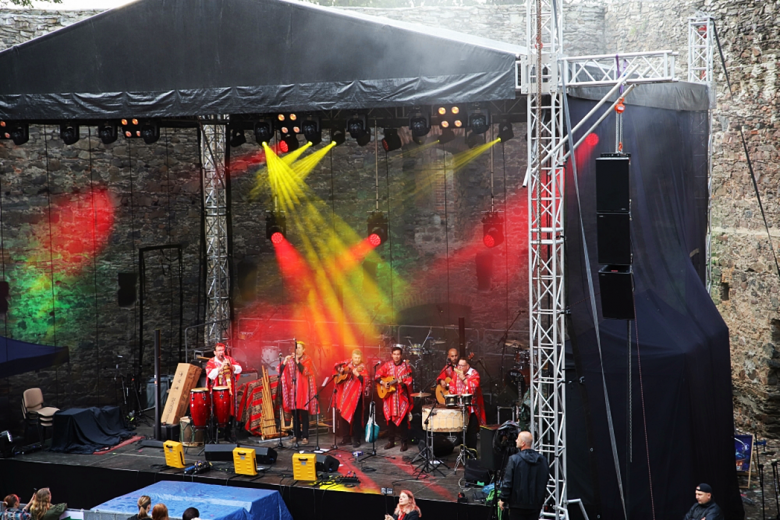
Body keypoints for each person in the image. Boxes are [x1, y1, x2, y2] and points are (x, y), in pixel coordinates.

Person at [498, 431, 549, 520]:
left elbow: (508, 481)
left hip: (517, 505)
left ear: (523, 443)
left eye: (518, 438)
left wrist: (503, 498)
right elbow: (544, 480)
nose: (516, 440)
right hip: (535, 504)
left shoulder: (514, 459)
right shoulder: (542, 460)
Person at [278, 340, 318, 446]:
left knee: (304, 415)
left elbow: (305, 371)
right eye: (296, 347)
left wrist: (296, 361)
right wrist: (285, 361)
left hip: (304, 390)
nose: (297, 349)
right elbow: (281, 370)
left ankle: (305, 436)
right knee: (295, 415)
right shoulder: (290, 359)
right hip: (293, 390)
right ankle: (296, 435)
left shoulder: (307, 359)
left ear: (303, 350)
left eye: (299, 347)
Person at [375, 346, 413, 451]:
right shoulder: (387, 365)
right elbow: (377, 376)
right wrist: (383, 383)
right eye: (394, 354)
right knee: (390, 419)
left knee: (403, 420)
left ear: (401, 355)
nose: (396, 356)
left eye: (398, 354)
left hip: (401, 397)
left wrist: (402, 383)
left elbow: (409, 381)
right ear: (392, 355)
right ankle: (391, 441)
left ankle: (404, 442)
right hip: (390, 398)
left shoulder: (406, 367)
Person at [448, 356, 486, 449]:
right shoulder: (456, 373)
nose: (459, 368)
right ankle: (463, 453)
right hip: (460, 407)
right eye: (458, 365)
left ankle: (472, 453)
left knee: (471, 431)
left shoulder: (474, 373)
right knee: (462, 431)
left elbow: (473, 387)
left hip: (472, 408)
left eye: (462, 366)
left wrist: (464, 378)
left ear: (467, 366)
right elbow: (452, 385)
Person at [334, 349, 368, 448]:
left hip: (357, 396)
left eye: (358, 358)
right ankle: (346, 439)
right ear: (352, 357)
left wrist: (358, 375)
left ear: (361, 358)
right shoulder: (347, 364)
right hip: (345, 396)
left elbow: (365, 381)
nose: (357, 359)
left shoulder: (363, 367)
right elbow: (337, 367)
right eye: (355, 357)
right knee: (344, 416)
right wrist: (341, 370)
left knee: (357, 418)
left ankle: (357, 440)